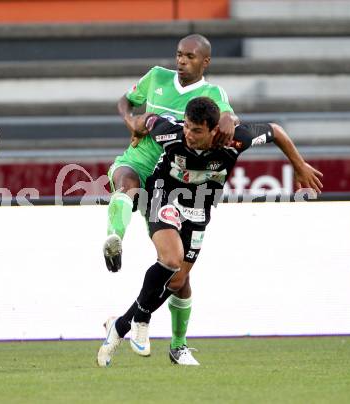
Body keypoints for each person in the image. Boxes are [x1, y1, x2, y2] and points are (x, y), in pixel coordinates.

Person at [97, 97, 323, 367]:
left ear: (214, 130)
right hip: (163, 196)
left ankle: (121, 325)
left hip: (199, 207)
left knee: (178, 282)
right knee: (171, 259)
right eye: (188, 127)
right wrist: (136, 124)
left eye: (196, 130)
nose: (189, 135)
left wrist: (299, 166)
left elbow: (276, 131)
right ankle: (141, 321)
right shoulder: (170, 131)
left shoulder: (236, 139)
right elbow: (148, 120)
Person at [103, 34, 238, 364]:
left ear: (205, 62)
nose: (181, 61)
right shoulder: (156, 77)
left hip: (177, 182)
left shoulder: (214, 95)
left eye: (189, 56)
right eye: (179, 54)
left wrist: (228, 120)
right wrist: (130, 121)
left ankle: (173, 342)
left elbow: (231, 121)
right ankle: (114, 240)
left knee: (178, 277)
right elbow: (125, 102)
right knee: (126, 185)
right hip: (142, 162)